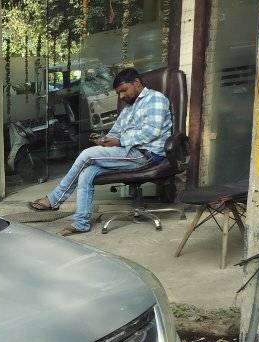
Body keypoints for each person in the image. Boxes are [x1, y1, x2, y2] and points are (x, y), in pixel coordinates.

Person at [28, 68, 172, 235]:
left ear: (136, 83)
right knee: (87, 172)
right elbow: (116, 132)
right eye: (118, 93)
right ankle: (81, 223)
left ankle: (54, 199)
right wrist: (104, 140)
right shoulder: (128, 108)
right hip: (128, 153)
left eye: (124, 90)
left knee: (86, 155)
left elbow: (151, 132)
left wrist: (119, 141)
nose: (121, 96)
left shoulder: (155, 99)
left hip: (147, 155)